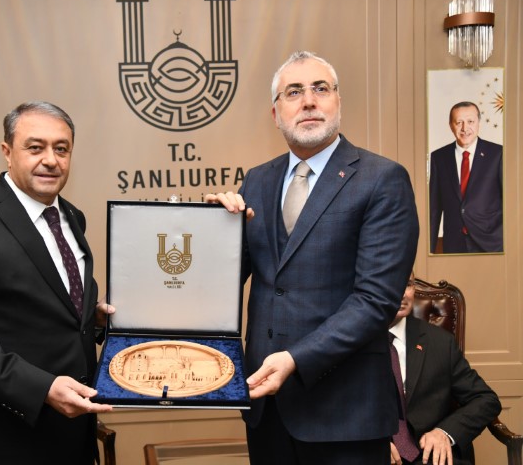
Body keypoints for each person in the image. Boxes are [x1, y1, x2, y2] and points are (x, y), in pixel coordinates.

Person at [206, 50, 419, 464]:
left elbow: (376, 301)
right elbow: (225, 282)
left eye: (320, 89)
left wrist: (295, 359)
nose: (308, 101)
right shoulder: (257, 181)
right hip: (266, 409)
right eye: (294, 92)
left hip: (346, 413)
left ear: (338, 102)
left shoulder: (382, 179)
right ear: (275, 113)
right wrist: (215, 232)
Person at [0, 101, 113, 465]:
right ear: (7, 152)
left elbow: (55, 306)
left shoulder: (72, 217)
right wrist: (42, 388)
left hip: (74, 436)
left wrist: (93, 319)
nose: (51, 160)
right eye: (35, 147)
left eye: (61, 149)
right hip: (4, 440)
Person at [389, 273, 501, 465]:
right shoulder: (353, 342)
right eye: (392, 282)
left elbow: (485, 399)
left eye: (407, 284)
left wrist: (445, 432)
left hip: (431, 457)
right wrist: (369, 443)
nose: (403, 294)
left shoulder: (440, 342)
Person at [429, 101, 503, 254]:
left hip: (492, 245)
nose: (465, 128)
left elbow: (510, 204)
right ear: (451, 126)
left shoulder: (498, 154)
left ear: (478, 123)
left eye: (470, 121)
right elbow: (434, 209)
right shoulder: (439, 157)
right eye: (459, 122)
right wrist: (428, 251)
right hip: (454, 245)